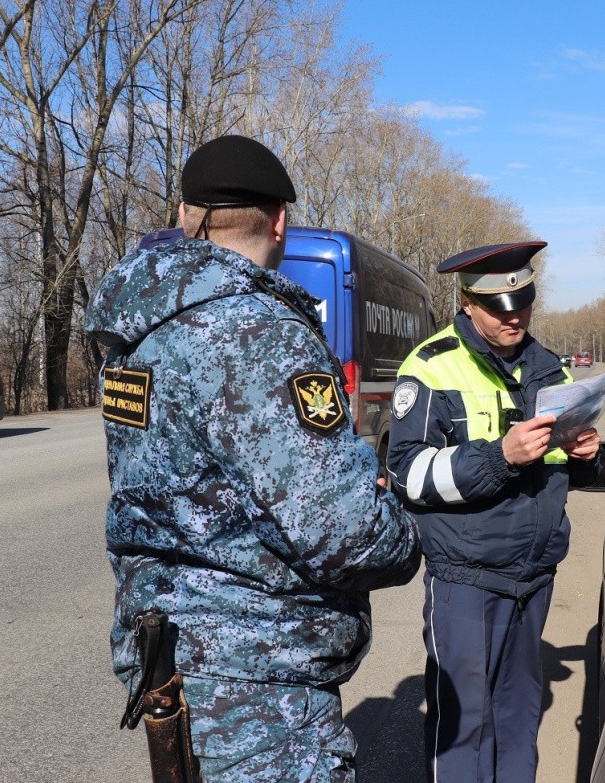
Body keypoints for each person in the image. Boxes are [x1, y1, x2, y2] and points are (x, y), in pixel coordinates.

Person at [85, 134, 421, 782]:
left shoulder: (136, 332)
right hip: (259, 681)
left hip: (175, 666)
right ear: (281, 222)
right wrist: (400, 527)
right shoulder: (259, 332)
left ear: (183, 218)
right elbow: (344, 532)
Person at [386, 241, 603, 783]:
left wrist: (582, 456)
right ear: (466, 303)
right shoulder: (432, 367)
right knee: (465, 729)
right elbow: (406, 475)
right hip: (467, 577)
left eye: (523, 304)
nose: (515, 318)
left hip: (533, 575)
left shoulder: (551, 370)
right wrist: (499, 457)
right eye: (499, 310)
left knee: (518, 719)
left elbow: (554, 466)